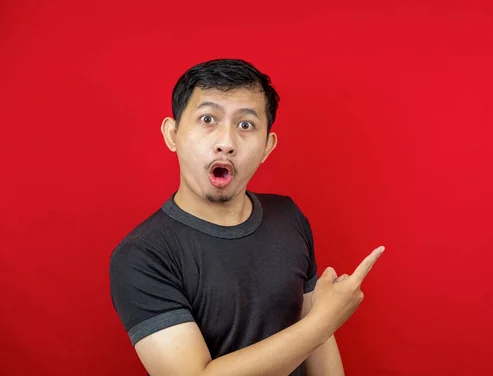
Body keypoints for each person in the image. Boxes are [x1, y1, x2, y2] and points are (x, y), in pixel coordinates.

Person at [109, 58, 385, 376]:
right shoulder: (141, 255)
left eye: (245, 125)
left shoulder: (288, 216)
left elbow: (318, 345)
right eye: (208, 119)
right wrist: (323, 323)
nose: (226, 143)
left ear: (267, 146)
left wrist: (321, 324)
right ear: (173, 134)